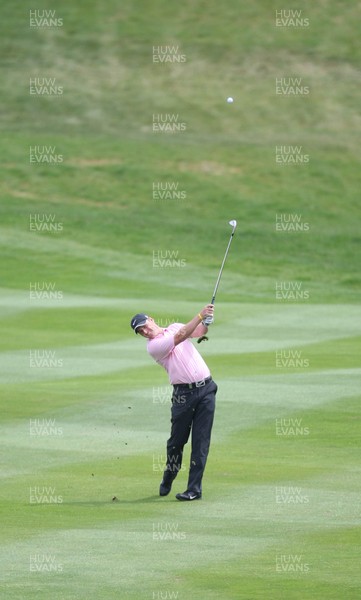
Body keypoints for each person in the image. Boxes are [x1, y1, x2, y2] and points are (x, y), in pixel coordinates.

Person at [130, 305, 217, 501]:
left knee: (201, 442)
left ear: (150, 319)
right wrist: (199, 315)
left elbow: (198, 331)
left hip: (207, 389)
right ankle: (169, 475)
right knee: (177, 442)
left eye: (143, 325)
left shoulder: (175, 326)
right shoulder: (153, 347)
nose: (144, 331)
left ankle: (194, 490)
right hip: (183, 395)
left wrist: (206, 322)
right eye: (140, 331)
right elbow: (181, 336)